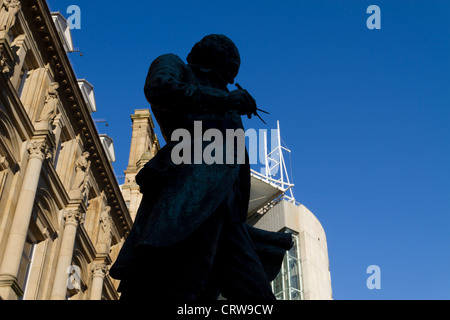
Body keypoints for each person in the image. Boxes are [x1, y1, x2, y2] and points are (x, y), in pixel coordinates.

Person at [110, 34, 292, 301]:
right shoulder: (176, 66)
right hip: (189, 196)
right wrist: (226, 100)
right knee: (185, 283)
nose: (231, 81)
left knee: (258, 295)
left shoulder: (223, 96)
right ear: (217, 60)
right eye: (230, 71)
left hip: (227, 211)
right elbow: (160, 88)